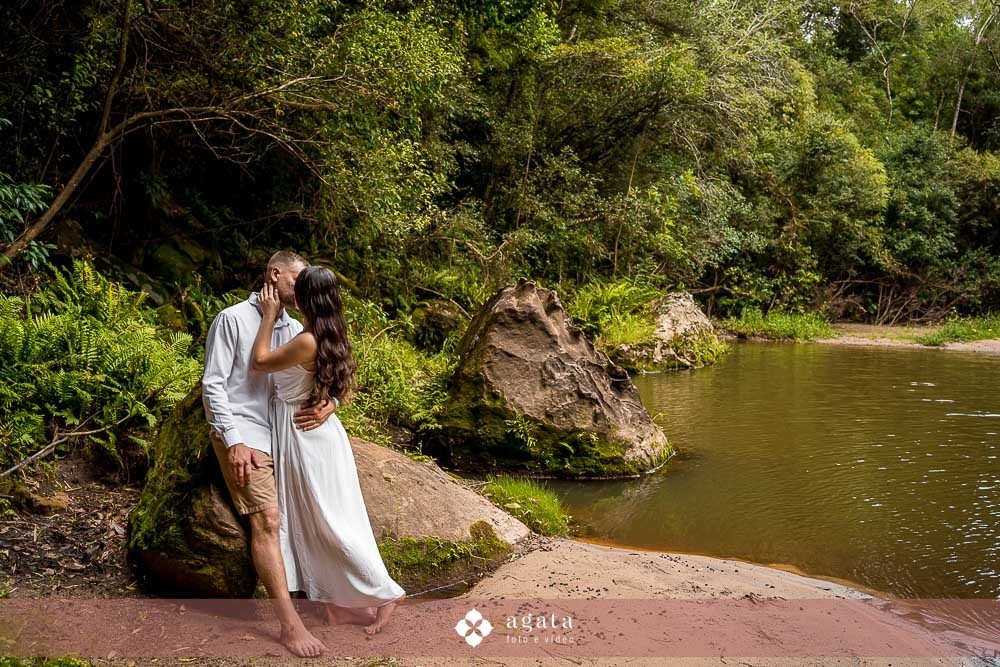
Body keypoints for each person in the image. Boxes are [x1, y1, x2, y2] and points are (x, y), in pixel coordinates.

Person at [250, 265, 406, 635]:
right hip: (314, 434)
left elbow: (258, 363)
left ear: (303, 299)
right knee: (313, 523)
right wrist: (333, 402)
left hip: (306, 438)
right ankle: (339, 605)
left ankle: (385, 593)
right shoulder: (330, 333)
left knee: (333, 523)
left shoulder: (306, 341)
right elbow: (339, 384)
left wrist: (269, 318)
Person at [202, 251, 337, 657]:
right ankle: (288, 624)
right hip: (246, 434)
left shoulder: (296, 327)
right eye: (297, 282)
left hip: (285, 436)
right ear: (275, 275)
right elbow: (213, 386)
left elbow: (326, 371)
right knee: (269, 518)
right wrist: (233, 440)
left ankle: (330, 599)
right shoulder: (232, 319)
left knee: (311, 511)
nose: (302, 291)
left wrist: (331, 403)